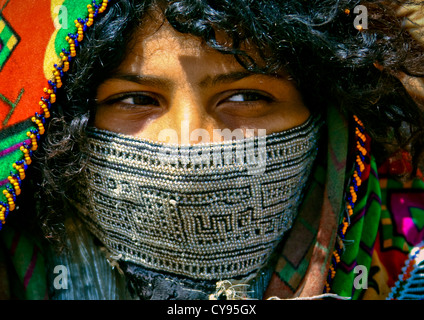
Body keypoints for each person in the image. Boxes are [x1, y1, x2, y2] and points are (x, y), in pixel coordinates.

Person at [0, 0, 423, 300]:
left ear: (329, 119)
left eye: (245, 98)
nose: (188, 147)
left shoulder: (409, 270)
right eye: (135, 100)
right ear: (55, 126)